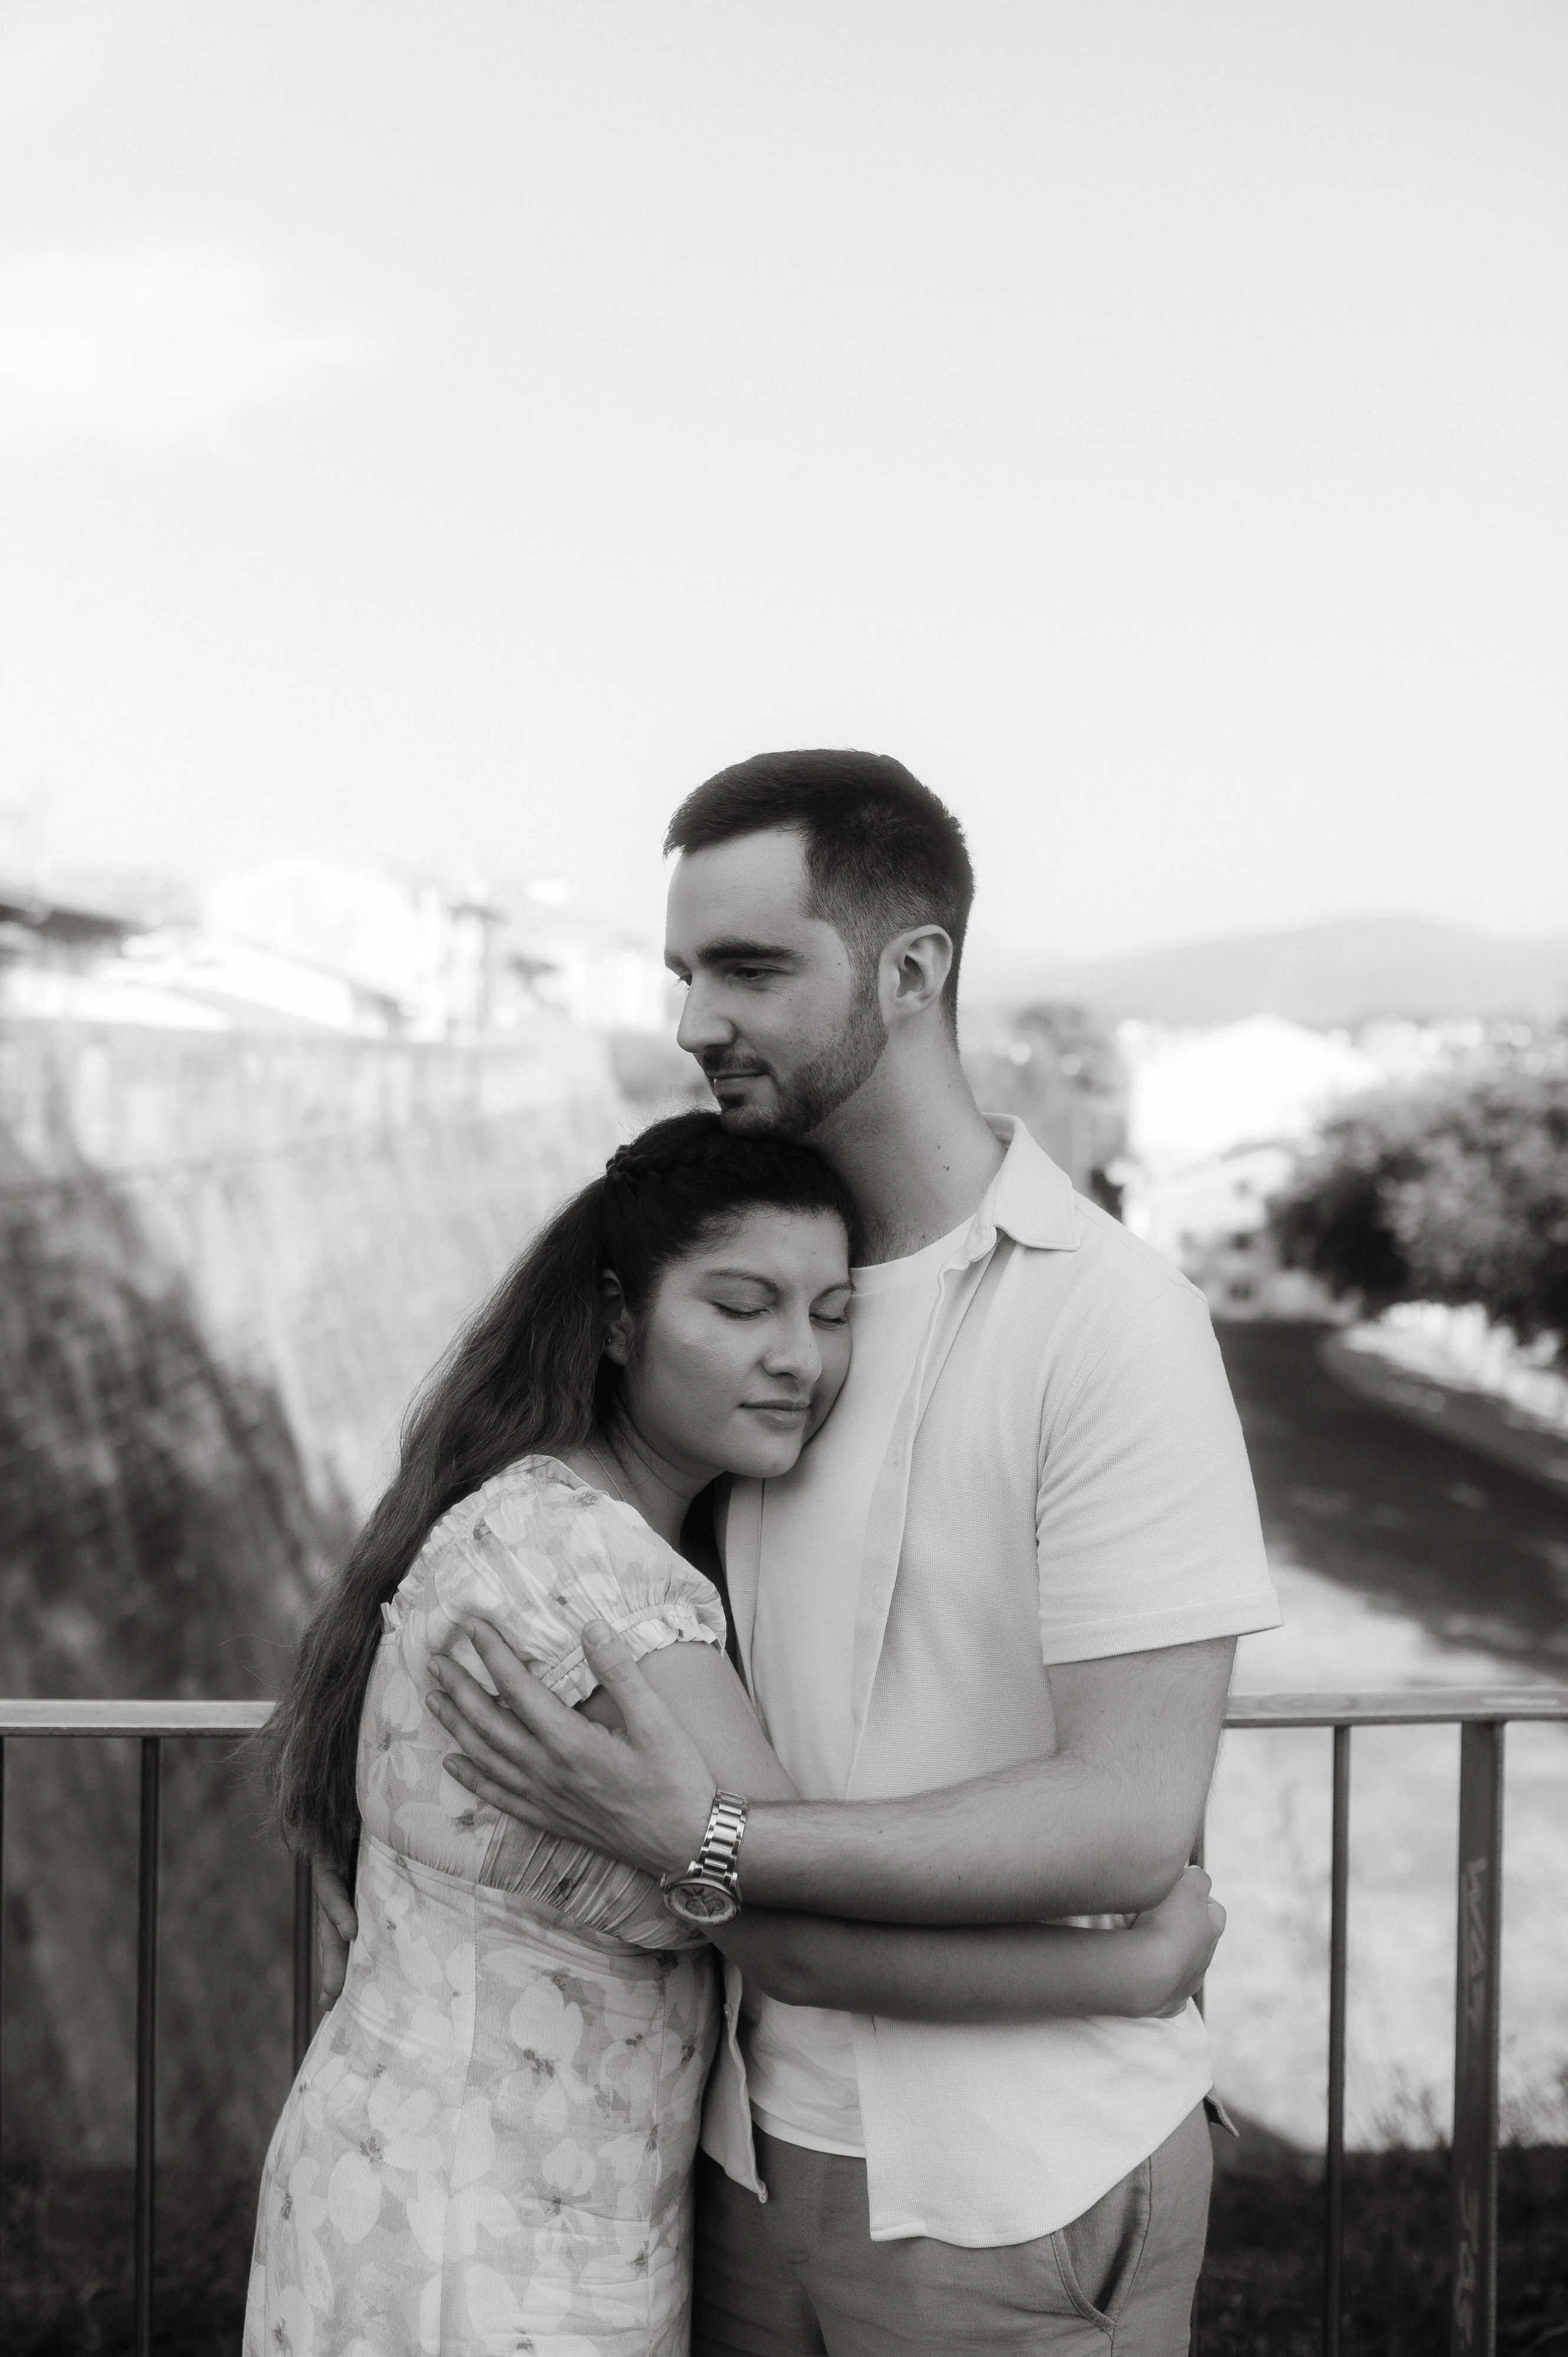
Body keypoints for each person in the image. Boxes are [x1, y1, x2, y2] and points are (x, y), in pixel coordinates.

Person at [422, 750, 1284, 2355]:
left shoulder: (1110, 1319)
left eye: (751, 968)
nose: (697, 1021)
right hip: (734, 2160)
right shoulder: (740, 1314)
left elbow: (1126, 1817)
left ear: (911, 969)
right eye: (684, 973)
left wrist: (703, 1836)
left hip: (1021, 2177)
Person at [249, 1108, 1224, 2357]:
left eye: (831, 1312)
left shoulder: (525, 1511)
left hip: (413, 2182)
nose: (798, 1358)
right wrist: (1131, 1975)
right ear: (616, 1318)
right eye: (742, 1305)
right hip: (494, 2241)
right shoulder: (603, 1583)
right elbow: (797, 1939)